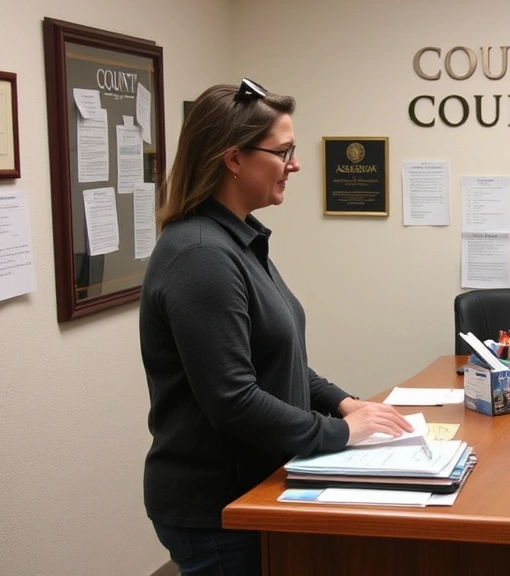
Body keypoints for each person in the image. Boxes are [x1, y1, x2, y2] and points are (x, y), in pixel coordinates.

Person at [139, 79, 414, 576]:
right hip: (219, 509)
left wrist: (342, 402)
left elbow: (278, 359)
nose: (296, 164)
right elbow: (234, 399)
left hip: (259, 487)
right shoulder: (201, 255)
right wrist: (340, 432)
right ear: (234, 159)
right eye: (283, 151)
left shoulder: (238, 241)